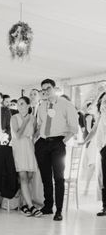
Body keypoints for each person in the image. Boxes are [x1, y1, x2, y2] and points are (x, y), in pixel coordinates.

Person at [34, 79, 79, 221]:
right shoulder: (41, 106)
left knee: (58, 178)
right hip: (42, 143)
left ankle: (58, 211)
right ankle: (48, 207)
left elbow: (74, 128)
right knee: (45, 177)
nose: (46, 91)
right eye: (43, 90)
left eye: (48, 88)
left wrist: (62, 142)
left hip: (58, 143)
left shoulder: (66, 105)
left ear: (55, 88)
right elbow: (40, 125)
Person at [11, 97, 42, 217]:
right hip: (19, 146)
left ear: (28, 105)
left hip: (29, 147)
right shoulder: (14, 118)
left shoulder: (33, 118)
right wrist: (25, 121)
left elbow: (33, 135)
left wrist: (39, 130)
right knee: (23, 176)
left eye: (22, 104)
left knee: (29, 177)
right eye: (18, 104)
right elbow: (18, 135)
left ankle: (24, 204)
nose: (19, 106)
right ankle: (31, 206)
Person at [84, 97, 106, 216]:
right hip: (103, 148)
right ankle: (105, 206)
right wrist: (84, 142)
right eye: (103, 102)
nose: (104, 104)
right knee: (104, 178)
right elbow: (93, 131)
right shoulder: (99, 117)